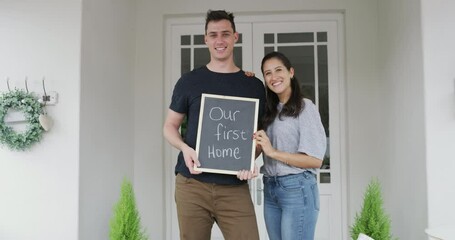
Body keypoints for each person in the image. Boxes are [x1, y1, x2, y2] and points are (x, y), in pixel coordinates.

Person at [162, 9, 266, 240]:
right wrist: (185, 148)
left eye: (225, 34)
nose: (220, 40)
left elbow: (257, 138)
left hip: (234, 188)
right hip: (192, 184)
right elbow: (169, 126)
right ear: (205, 39)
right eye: (214, 34)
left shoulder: (253, 86)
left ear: (235, 37)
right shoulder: (189, 81)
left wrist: (250, 159)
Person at [254, 51, 327, 240]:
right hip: (271, 188)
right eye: (267, 73)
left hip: (297, 188)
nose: (273, 77)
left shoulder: (305, 108)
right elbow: (261, 149)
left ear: (291, 72)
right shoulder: (269, 110)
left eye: (278, 70)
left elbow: (315, 160)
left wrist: (273, 152)